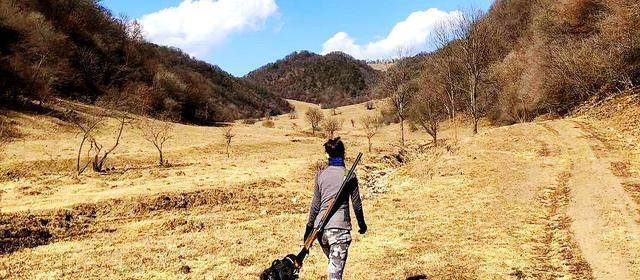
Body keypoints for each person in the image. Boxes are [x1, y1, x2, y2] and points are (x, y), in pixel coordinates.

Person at [303, 137, 367, 280]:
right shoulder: (349, 175)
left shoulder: (320, 175)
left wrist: (308, 227)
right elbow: (356, 204)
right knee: (335, 275)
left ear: (327, 154)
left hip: (320, 231)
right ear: (343, 153)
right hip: (339, 230)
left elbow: (315, 205)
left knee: (333, 266)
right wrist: (362, 224)